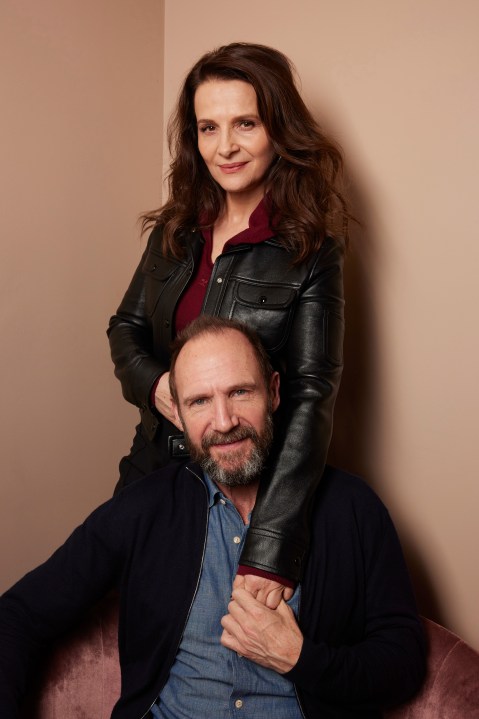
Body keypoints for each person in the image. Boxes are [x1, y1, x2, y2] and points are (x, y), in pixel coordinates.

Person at [0, 318, 425, 719]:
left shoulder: (352, 507)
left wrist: (300, 658)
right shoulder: (142, 509)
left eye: (240, 392)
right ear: (179, 415)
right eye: (200, 401)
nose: (223, 422)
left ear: (274, 392)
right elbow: (18, 617)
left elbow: (404, 662)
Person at [107, 42, 350, 601]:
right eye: (208, 127)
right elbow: (125, 328)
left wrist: (269, 551)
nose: (226, 147)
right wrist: (155, 384)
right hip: (151, 466)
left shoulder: (313, 251)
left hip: (248, 489)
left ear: (279, 131)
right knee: (122, 623)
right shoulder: (175, 228)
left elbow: (313, 396)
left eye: (246, 123)